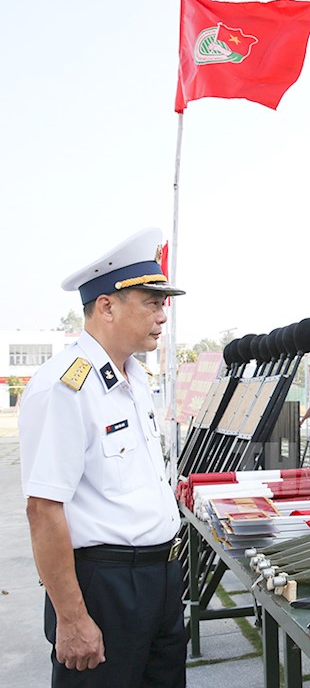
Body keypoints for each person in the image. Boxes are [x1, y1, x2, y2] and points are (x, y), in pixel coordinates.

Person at [19, 228, 187, 686]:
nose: (163, 315)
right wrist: (72, 620)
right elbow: (44, 509)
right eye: (152, 302)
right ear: (107, 306)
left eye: (163, 303)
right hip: (106, 586)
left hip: (162, 579)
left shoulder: (135, 379)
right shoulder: (65, 386)